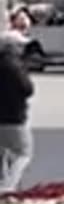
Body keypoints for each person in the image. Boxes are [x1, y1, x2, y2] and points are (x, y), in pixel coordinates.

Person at [0, 33, 34, 193]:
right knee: (23, 153)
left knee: (2, 150)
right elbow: (27, 88)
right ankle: (8, 186)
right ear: (11, 47)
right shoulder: (14, 65)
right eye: (19, 45)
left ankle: (3, 180)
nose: (22, 49)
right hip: (13, 116)